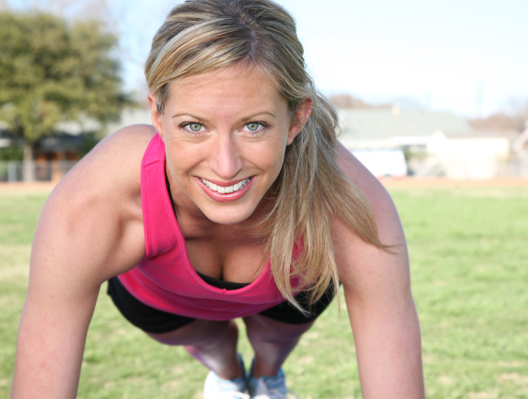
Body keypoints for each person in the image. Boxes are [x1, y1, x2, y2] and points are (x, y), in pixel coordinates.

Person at [10, 0, 425, 398]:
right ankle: (226, 374)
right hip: (160, 299)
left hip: (289, 290)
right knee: (212, 344)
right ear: (157, 115)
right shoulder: (97, 199)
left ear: (296, 119)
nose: (225, 167)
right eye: (194, 126)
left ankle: (267, 376)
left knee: (273, 338)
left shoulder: (346, 199)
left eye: (254, 126)